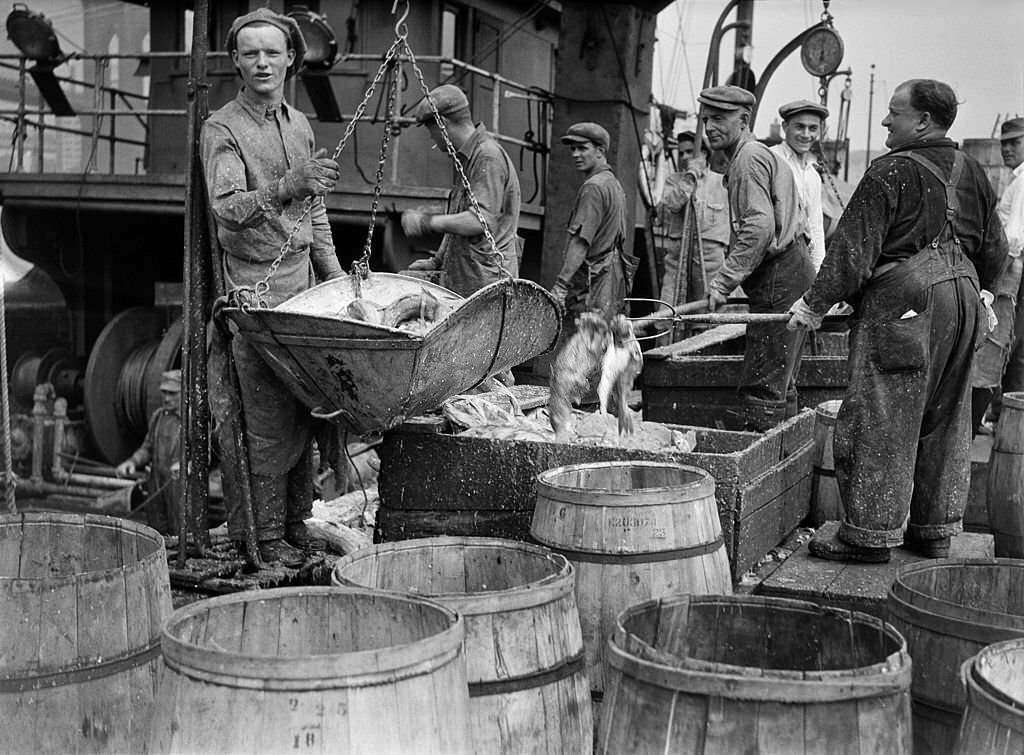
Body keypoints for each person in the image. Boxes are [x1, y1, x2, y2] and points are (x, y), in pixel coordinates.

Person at [787, 79, 1009, 562]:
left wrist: (814, 304)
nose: (887, 121)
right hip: (966, 299)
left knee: (881, 417)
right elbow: (997, 248)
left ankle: (867, 537)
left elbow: (852, 249)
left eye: (894, 113)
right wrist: (980, 293)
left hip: (906, 302)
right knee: (947, 418)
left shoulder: (890, 172)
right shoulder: (973, 170)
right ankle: (934, 532)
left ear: (923, 121)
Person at [202, 8, 344, 567]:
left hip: (302, 290)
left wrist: (334, 275)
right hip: (254, 295)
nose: (262, 62)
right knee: (262, 418)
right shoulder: (223, 128)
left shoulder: (299, 124)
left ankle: (292, 524)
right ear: (236, 61)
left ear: (291, 58)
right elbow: (228, 209)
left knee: (303, 411)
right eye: (250, 53)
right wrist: (287, 184)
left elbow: (316, 211)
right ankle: (259, 538)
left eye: (272, 52)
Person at [699, 85, 816, 431]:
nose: (710, 127)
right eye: (706, 119)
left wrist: (723, 281)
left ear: (744, 119)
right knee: (781, 381)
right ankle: (786, 466)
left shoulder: (748, 159)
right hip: (791, 271)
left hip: (780, 275)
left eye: (719, 118)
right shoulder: (756, 155)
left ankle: (761, 472)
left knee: (763, 383)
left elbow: (759, 226)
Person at [402, 84, 520, 296]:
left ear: (443, 123)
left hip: (487, 288)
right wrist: (436, 261)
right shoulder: (466, 159)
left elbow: (479, 221)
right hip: (468, 281)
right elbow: (459, 220)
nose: (433, 140)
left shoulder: (487, 157)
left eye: (432, 132)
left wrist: (426, 222)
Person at [635, 135, 731, 339]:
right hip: (677, 258)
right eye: (682, 152)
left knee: (707, 314)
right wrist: (689, 179)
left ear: (704, 154)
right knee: (667, 311)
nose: (685, 156)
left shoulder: (721, 182)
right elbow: (671, 204)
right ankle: (662, 354)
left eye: (690, 151)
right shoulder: (674, 181)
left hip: (711, 259)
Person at [550, 122, 636, 321]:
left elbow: (581, 242)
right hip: (610, 285)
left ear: (600, 151)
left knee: (581, 347)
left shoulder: (593, 188)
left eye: (582, 148)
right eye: (573, 149)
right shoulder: (614, 185)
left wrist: (561, 286)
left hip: (592, 288)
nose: (575, 154)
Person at [974, 117, 1024, 432]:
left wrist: (990, 278)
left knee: (1005, 345)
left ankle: (1004, 420)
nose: (1006, 149)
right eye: (1004, 143)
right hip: (1015, 267)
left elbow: (1014, 238)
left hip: (1013, 270)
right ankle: (1002, 417)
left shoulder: (1022, 181)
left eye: (1014, 143)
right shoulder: (1015, 179)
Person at [116, 369, 182, 535]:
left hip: (181, 490)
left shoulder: (193, 420)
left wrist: (186, 465)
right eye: (164, 392)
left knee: (181, 533)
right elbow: (147, 447)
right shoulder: (158, 417)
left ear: (185, 392)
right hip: (157, 485)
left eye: (172, 393)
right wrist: (132, 462)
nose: (166, 398)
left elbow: (206, 457)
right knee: (156, 532)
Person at [770, 100, 829, 270]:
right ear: (784, 126)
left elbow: (816, 226)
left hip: (801, 261)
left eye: (813, 128)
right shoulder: (771, 160)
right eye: (799, 127)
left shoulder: (812, 174)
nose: (806, 134)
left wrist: (818, 271)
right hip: (774, 260)